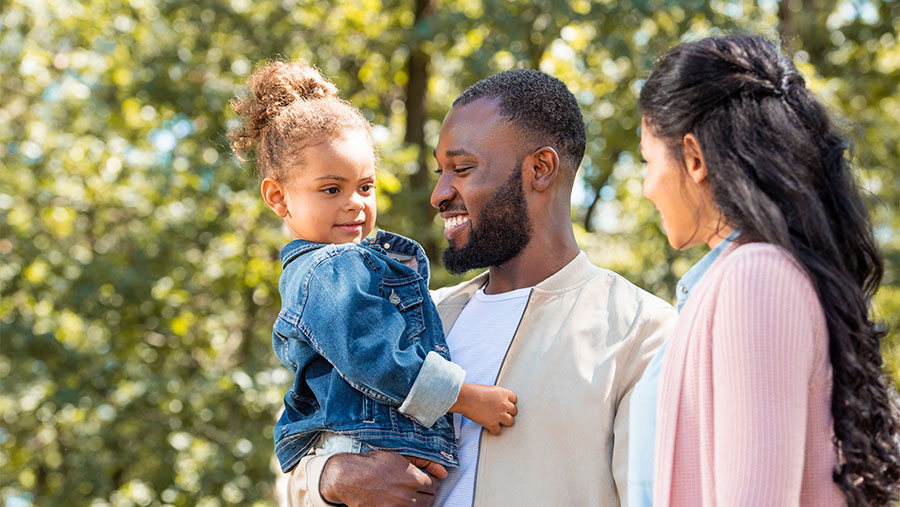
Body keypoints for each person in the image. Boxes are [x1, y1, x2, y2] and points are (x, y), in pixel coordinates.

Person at [285, 69, 677, 506]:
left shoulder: (642, 333)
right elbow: (296, 455)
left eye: (462, 169)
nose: (438, 193)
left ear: (540, 169)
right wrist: (332, 478)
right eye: (440, 171)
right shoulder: (410, 320)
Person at [637, 34, 900, 506]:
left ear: (694, 159)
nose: (645, 186)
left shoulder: (755, 279)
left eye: (647, 159)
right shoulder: (741, 279)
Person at [227, 61, 518, 478]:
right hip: (361, 443)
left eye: (365, 186)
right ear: (278, 197)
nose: (355, 203)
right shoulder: (328, 269)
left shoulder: (343, 265)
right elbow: (376, 357)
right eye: (331, 189)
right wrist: (466, 398)